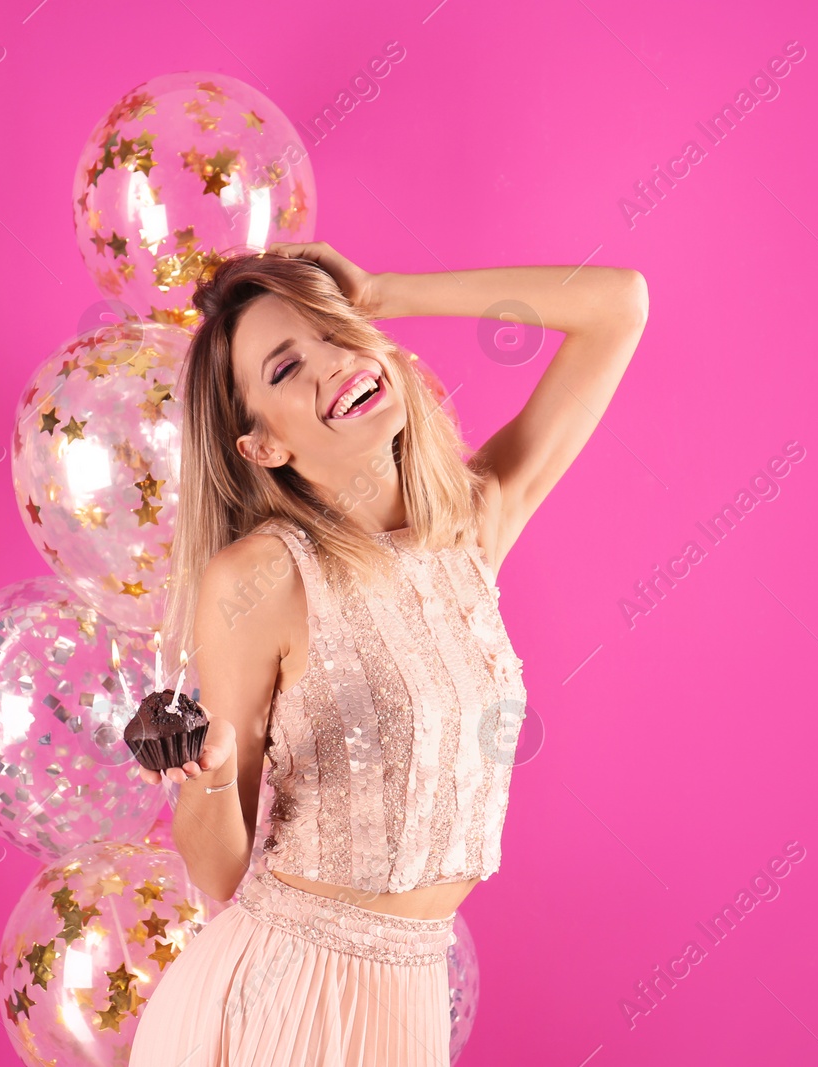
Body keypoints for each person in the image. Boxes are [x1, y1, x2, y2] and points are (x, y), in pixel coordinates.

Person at [127, 241, 648, 1066]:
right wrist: (211, 769)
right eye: (286, 366)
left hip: (408, 1005)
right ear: (262, 444)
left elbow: (619, 303)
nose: (332, 364)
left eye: (336, 333)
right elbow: (222, 870)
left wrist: (385, 292)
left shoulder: (472, 525)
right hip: (282, 999)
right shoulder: (260, 578)